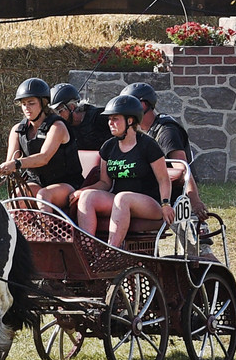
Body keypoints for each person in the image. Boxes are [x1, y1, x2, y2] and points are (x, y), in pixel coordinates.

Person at [74, 95, 174, 248]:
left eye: (115, 119)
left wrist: (166, 204)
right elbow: (105, 183)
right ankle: (87, 252)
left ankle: (112, 251)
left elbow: (163, 179)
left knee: (123, 198)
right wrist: (82, 191)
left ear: (130, 120)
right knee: (88, 197)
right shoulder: (108, 147)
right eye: (109, 119)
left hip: (149, 203)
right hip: (119, 200)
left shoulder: (148, 145)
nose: (110, 123)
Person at [0, 78, 83, 213]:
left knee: (44, 195)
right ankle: (18, 233)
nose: (27, 108)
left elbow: (44, 158)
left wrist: (16, 164)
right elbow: (11, 161)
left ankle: (47, 233)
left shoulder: (57, 126)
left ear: (43, 104)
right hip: (37, 182)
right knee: (17, 195)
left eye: (31, 103)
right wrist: (7, 168)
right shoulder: (17, 130)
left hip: (66, 184)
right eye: (23, 104)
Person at [124, 82, 203, 217]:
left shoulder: (166, 131)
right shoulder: (141, 131)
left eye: (129, 104)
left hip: (172, 193)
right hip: (150, 189)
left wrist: (194, 201)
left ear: (143, 105)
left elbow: (182, 168)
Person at [49, 83, 109, 153]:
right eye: (54, 112)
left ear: (71, 107)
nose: (57, 115)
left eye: (59, 111)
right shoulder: (61, 126)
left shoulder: (99, 117)